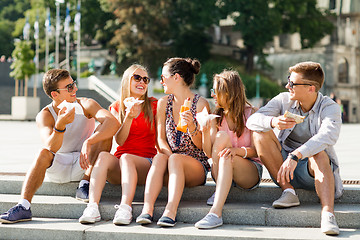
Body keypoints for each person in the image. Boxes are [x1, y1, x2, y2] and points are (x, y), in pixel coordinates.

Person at [0, 69, 119, 224]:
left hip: (84, 163)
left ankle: (85, 184)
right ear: (55, 94)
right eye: (69, 87)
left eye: (74, 84)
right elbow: (51, 147)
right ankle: (24, 206)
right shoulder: (45, 114)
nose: (75, 89)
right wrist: (60, 126)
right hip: (59, 165)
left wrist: (88, 142)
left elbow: (113, 123)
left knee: (103, 133)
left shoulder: (86, 104)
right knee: (42, 152)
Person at [246, 62, 343, 235]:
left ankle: (328, 214)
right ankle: (288, 192)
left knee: (319, 153)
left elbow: (328, 136)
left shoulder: (330, 107)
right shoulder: (284, 100)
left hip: (312, 170)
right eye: (287, 81)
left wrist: (296, 156)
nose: (287, 86)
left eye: (292, 83)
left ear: (311, 88)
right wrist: (273, 122)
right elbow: (252, 120)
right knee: (259, 133)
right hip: (283, 169)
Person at [79, 64, 158, 225]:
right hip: (121, 165)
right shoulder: (116, 106)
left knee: (127, 158)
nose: (142, 82)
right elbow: (120, 141)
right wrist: (129, 117)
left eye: (145, 79)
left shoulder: (154, 105)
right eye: (137, 77)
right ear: (126, 81)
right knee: (103, 156)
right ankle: (92, 207)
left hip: (146, 164)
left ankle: (125, 207)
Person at [136, 57, 210, 227]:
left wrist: (192, 127)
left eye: (163, 77)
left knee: (174, 159)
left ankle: (171, 210)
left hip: (195, 167)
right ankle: (147, 209)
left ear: (176, 77)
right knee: (160, 157)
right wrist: (169, 156)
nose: (161, 81)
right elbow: (160, 139)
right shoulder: (163, 103)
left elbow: (203, 147)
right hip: (171, 161)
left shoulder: (200, 104)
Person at [194, 70, 262, 229]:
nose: (213, 95)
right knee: (221, 137)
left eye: (216, 91)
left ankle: (215, 213)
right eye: (212, 91)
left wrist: (236, 151)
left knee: (227, 155)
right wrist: (204, 132)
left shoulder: (252, 114)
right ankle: (220, 190)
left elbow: (258, 151)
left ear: (229, 93)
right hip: (222, 169)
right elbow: (209, 154)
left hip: (248, 171)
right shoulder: (215, 117)